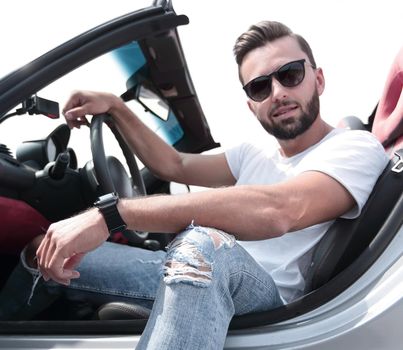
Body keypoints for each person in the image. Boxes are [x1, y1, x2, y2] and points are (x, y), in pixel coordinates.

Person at [0, 21, 388, 349]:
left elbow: (279, 210)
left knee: (205, 244)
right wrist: (116, 108)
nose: (278, 93)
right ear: (250, 104)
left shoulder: (354, 147)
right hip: (195, 271)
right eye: (260, 87)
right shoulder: (253, 154)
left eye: (290, 75)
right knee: (48, 246)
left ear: (317, 79)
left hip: (266, 297)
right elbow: (172, 163)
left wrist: (109, 216)